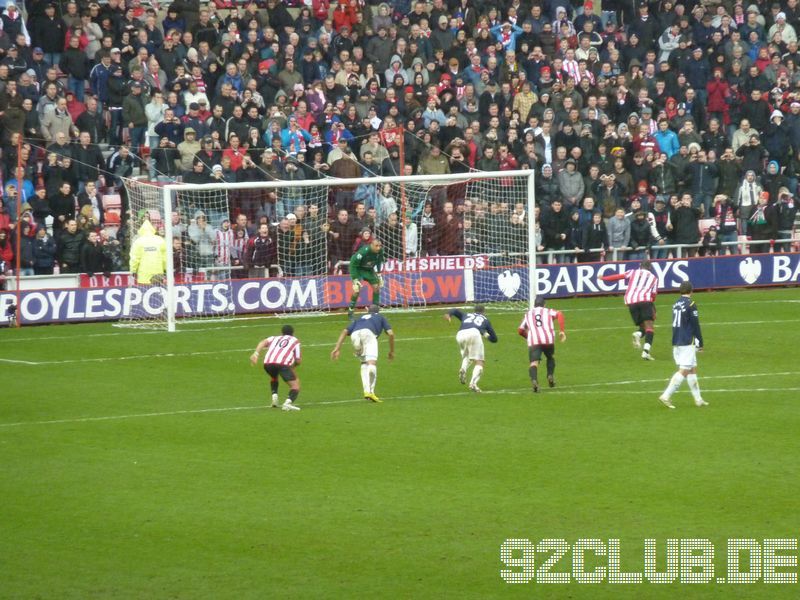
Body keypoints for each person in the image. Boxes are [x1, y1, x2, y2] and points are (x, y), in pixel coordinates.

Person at [331, 304, 395, 403]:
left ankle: (366, 391)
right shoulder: (381, 317)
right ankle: (371, 392)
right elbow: (391, 334)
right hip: (368, 334)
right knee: (371, 364)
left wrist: (337, 348)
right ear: (378, 311)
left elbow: (344, 331)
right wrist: (391, 351)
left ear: (367, 310)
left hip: (355, 335)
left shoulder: (360, 318)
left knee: (364, 363)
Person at [659, 280, 707, 409]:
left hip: (676, 339)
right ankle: (666, 395)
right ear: (691, 291)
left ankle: (698, 399)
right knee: (685, 370)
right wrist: (700, 342)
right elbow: (695, 325)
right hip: (687, 341)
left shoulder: (676, 304)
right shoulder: (691, 304)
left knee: (692, 369)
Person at [599, 259, 659, 360]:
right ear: (650, 268)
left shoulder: (633, 272)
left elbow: (618, 276)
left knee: (643, 327)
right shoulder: (654, 278)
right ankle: (645, 352)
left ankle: (638, 334)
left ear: (640, 266)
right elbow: (653, 296)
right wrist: (652, 308)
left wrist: (604, 278)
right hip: (645, 301)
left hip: (631, 302)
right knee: (649, 327)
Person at [444, 305, 498, 393]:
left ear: (474, 311)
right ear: (484, 312)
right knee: (479, 361)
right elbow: (494, 339)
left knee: (467, 355)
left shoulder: (466, 315)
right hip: (474, 333)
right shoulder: (486, 320)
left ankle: (463, 369)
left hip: (460, 334)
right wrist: (485, 334)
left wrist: (449, 315)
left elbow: (454, 310)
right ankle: (473, 383)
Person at [518, 297, 567, 393]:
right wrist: (561, 331)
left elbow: (520, 330)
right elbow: (560, 314)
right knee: (550, 357)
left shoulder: (528, 314)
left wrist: (528, 337)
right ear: (544, 304)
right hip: (548, 339)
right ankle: (550, 375)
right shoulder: (548, 311)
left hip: (534, 341)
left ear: (534, 305)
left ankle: (534, 380)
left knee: (534, 363)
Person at [250, 324, 302, 412]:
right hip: (282, 364)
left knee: (274, 377)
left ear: (282, 333)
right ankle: (287, 404)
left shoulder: (274, 338)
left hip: (268, 363)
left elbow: (263, 342)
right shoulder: (295, 341)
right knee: (295, 385)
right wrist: (293, 367)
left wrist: (256, 354)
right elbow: (298, 360)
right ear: (293, 333)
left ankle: (275, 398)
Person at [347, 238, 385, 320]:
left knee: (376, 287)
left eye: (380, 246)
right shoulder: (364, 251)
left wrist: (379, 274)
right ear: (371, 245)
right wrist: (355, 279)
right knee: (357, 290)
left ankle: (375, 311)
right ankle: (350, 311)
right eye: (376, 246)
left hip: (369, 270)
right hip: (358, 270)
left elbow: (379, 262)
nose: (378, 248)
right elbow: (353, 263)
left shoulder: (380, 251)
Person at [129, 219, 166, 284]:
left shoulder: (138, 241)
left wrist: (133, 270)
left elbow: (134, 258)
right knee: (159, 292)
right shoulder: (160, 240)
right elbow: (165, 258)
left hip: (143, 274)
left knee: (145, 292)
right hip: (158, 273)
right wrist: (166, 269)